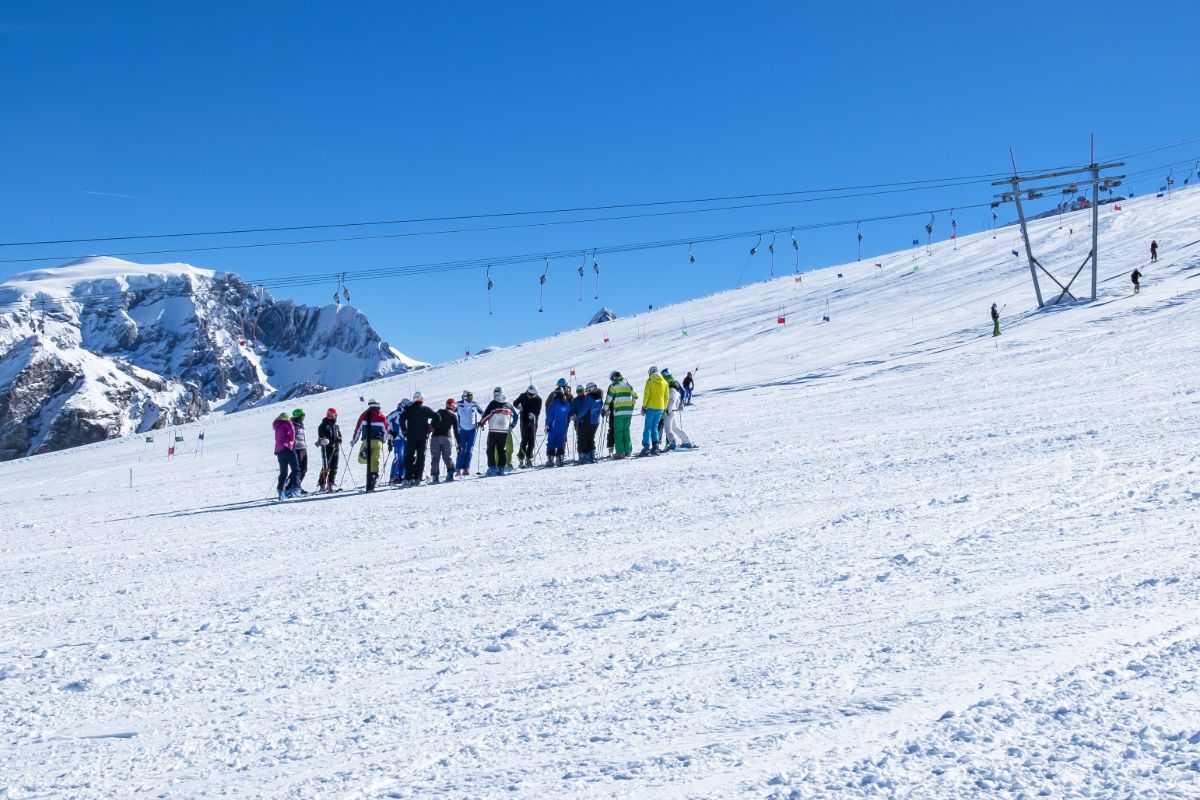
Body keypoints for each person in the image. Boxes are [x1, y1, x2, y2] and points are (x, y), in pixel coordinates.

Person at [399, 391, 437, 485]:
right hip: (423, 437)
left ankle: (408, 478)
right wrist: (431, 427)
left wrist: (404, 430)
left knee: (409, 457)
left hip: (411, 436)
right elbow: (437, 417)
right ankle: (418, 478)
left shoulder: (408, 409)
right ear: (422, 399)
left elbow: (401, 419)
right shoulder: (425, 409)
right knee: (421, 457)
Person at [350, 399, 388, 492]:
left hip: (366, 441)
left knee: (361, 460)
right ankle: (373, 477)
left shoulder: (364, 415)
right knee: (374, 461)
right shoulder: (382, 416)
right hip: (377, 442)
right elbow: (386, 430)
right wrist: (383, 440)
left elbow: (358, 428)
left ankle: (365, 454)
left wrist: (354, 440)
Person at [478, 387, 515, 476]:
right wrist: (511, 425)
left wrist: (481, 423)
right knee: (501, 450)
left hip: (494, 431)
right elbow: (513, 416)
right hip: (504, 431)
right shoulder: (508, 405)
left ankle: (492, 469)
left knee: (490, 450)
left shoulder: (493, 403)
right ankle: (501, 469)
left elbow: (488, 414)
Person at [604, 371, 638, 459]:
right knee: (626, 431)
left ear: (613, 378)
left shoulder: (613, 386)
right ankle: (628, 451)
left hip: (619, 412)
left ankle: (620, 452)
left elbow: (609, 399)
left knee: (618, 432)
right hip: (628, 412)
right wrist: (632, 404)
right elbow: (635, 396)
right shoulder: (628, 385)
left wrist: (604, 409)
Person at [640, 366, 669, 456]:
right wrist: (664, 407)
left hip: (651, 407)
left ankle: (646, 447)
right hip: (660, 408)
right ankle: (656, 446)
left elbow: (646, 394)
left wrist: (644, 406)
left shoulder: (650, 381)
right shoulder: (664, 382)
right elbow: (666, 397)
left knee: (648, 427)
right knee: (655, 427)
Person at [571, 382, 604, 463]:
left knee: (583, 437)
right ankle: (592, 453)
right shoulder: (599, 397)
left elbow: (584, 410)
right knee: (590, 437)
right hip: (595, 421)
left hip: (587, 420)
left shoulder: (589, 398)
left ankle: (583, 455)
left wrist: (577, 416)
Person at [430, 398, 461, 483]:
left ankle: (435, 477)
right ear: (453, 406)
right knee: (447, 457)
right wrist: (459, 443)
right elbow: (456, 431)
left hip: (435, 437)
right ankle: (450, 473)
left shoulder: (439, 412)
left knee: (435, 458)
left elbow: (431, 426)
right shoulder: (453, 416)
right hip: (446, 438)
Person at [454, 390, 484, 476]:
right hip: (462, 430)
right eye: (469, 396)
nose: (471, 398)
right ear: (464, 397)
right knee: (462, 449)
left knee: (469, 450)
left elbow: (483, 413)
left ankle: (466, 468)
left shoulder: (475, 404)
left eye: (471, 396)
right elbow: (451, 412)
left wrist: (481, 422)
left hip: (472, 430)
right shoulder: (458, 404)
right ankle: (458, 469)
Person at [512, 384, 542, 468]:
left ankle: (529, 458)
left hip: (533, 421)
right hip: (524, 420)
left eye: (531, 395)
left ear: (535, 394)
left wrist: (534, 414)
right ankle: (521, 458)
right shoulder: (523, 396)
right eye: (528, 393)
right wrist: (519, 407)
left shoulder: (538, 399)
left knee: (532, 440)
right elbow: (515, 403)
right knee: (524, 439)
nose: (529, 396)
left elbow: (538, 411)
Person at [663, 373, 695, 451]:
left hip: (670, 411)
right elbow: (680, 397)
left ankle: (672, 442)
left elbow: (671, 401)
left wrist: (667, 412)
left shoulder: (671, 390)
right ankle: (686, 441)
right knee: (674, 428)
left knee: (667, 428)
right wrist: (679, 405)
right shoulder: (676, 388)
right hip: (674, 411)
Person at [544, 378, 572, 467]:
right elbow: (570, 409)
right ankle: (560, 458)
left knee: (551, 441)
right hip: (563, 424)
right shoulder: (567, 402)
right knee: (561, 440)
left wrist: (547, 425)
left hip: (553, 425)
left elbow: (550, 414)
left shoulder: (554, 402)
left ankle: (550, 459)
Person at [273, 412, 300, 500]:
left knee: (283, 472)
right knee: (296, 469)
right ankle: (296, 489)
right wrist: (292, 440)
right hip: (287, 448)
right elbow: (292, 432)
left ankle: (281, 491)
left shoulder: (277, 425)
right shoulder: (287, 422)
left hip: (279, 451)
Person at [316, 407, 342, 492]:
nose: (336, 417)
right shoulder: (323, 426)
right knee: (326, 467)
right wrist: (332, 441)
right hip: (327, 449)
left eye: (336, 415)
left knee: (334, 467)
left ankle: (331, 484)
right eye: (334, 415)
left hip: (336, 449)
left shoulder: (335, 426)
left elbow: (339, 435)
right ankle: (322, 484)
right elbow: (322, 438)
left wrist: (339, 439)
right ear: (330, 415)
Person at [386, 400, 410, 484]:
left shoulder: (408, 414)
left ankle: (401, 476)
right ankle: (393, 476)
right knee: (398, 456)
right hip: (398, 438)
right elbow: (386, 419)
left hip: (406, 438)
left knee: (404, 458)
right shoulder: (397, 412)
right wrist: (391, 431)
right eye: (408, 405)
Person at [290, 408, 309, 493]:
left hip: (303, 448)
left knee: (304, 469)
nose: (303, 418)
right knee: (297, 469)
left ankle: (297, 486)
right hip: (296, 449)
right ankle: (290, 486)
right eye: (302, 416)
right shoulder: (293, 425)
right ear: (298, 416)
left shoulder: (300, 425)